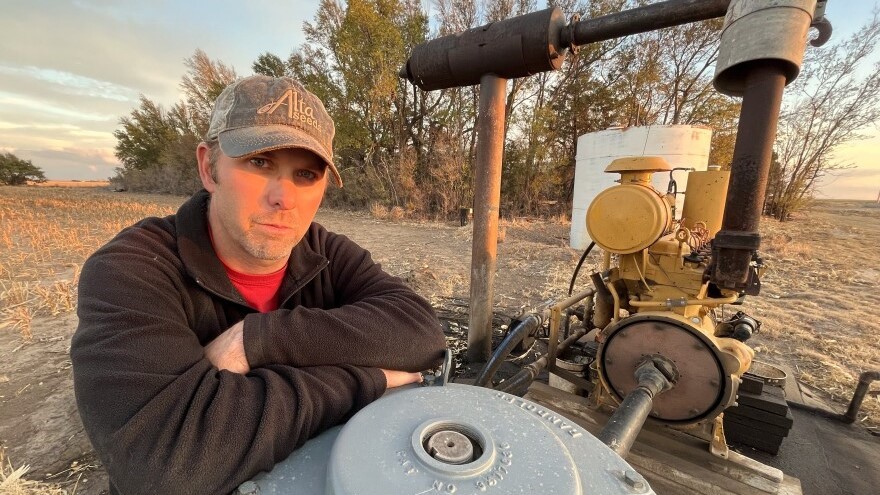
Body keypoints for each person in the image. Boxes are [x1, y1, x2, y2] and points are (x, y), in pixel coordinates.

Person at [71, 75, 447, 495]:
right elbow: (165, 466)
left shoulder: (323, 251)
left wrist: (257, 338)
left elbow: (422, 333)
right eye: (260, 162)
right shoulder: (133, 270)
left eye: (305, 173)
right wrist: (367, 380)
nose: (283, 197)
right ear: (208, 167)